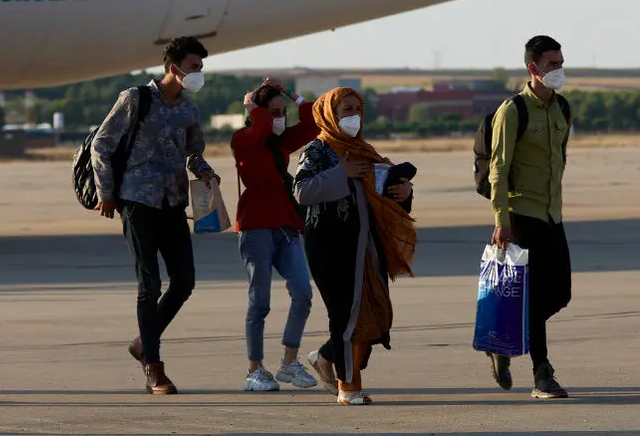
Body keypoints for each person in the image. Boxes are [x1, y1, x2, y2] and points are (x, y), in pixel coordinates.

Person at [91, 36, 219, 395]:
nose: (198, 74)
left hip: (173, 203)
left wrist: (205, 171)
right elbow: (102, 145)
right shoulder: (135, 99)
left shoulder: (188, 109)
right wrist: (107, 193)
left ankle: (143, 341)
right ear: (173, 67)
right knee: (149, 286)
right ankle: (154, 368)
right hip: (137, 203)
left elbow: (194, 152)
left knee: (185, 280)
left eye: (201, 68)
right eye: (194, 67)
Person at [292, 87, 416, 405]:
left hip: (366, 244)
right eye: (346, 110)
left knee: (372, 314)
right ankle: (349, 387)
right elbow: (302, 191)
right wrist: (340, 173)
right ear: (329, 113)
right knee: (346, 314)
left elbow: (381, 190)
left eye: (357, 110)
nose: (353, 116)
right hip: (329, 246)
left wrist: (403, 192)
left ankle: (325, 357)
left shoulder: (364, 150)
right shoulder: (317, 150)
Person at [488, 35, 572, 399]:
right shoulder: (513, 110)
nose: (559, 70)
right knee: (536, 294)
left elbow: (561, 159)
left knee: (560, 293)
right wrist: (501, 219)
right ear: (533, 68)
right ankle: (542, 373)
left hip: (552, 213)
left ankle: (504, 343)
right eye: (552, 64)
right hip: (521, 214)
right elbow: (498, 169)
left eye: (561, 62)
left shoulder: (563, 108)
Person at [231, 79, 320, 392]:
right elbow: (258, 131)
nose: (281, 118)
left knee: (303, 293)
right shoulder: (244, 139)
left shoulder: (282, 144)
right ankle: (254, 371)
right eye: (275, 113)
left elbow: (313, 122)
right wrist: (253, 107)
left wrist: (294, 96)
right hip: (255, 225)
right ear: (259, 113)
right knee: (260, 302)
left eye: (284, 112)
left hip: (285, 223)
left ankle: (288, 364)